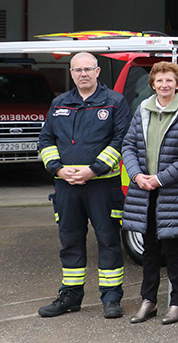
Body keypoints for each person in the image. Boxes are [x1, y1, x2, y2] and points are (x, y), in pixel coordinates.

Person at [37, 52, 130, 319]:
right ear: (71, 72)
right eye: (77, 70)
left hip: (102, 187)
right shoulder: (59, 103)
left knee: (109, 242)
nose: (83, 74)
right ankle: (70, 297)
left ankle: (111, 298)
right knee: (70, 242)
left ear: (98, 71)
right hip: (66, 187)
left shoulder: (114, 101)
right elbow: (45, 140)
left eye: (88, 69)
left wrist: (93, 170)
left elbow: (120, 141)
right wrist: (59, 169)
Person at [121, 61, 178, 326]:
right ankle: (148, 301)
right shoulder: (143, 108)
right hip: (144, 191)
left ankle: (177, 303)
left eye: (170, 80)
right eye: (160, 80)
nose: (164, 85)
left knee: (174, 250)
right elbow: (128, 145)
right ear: (152, 84)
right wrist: (137, 175)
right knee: (150, 249)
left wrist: (161, 178)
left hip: (172, 192)